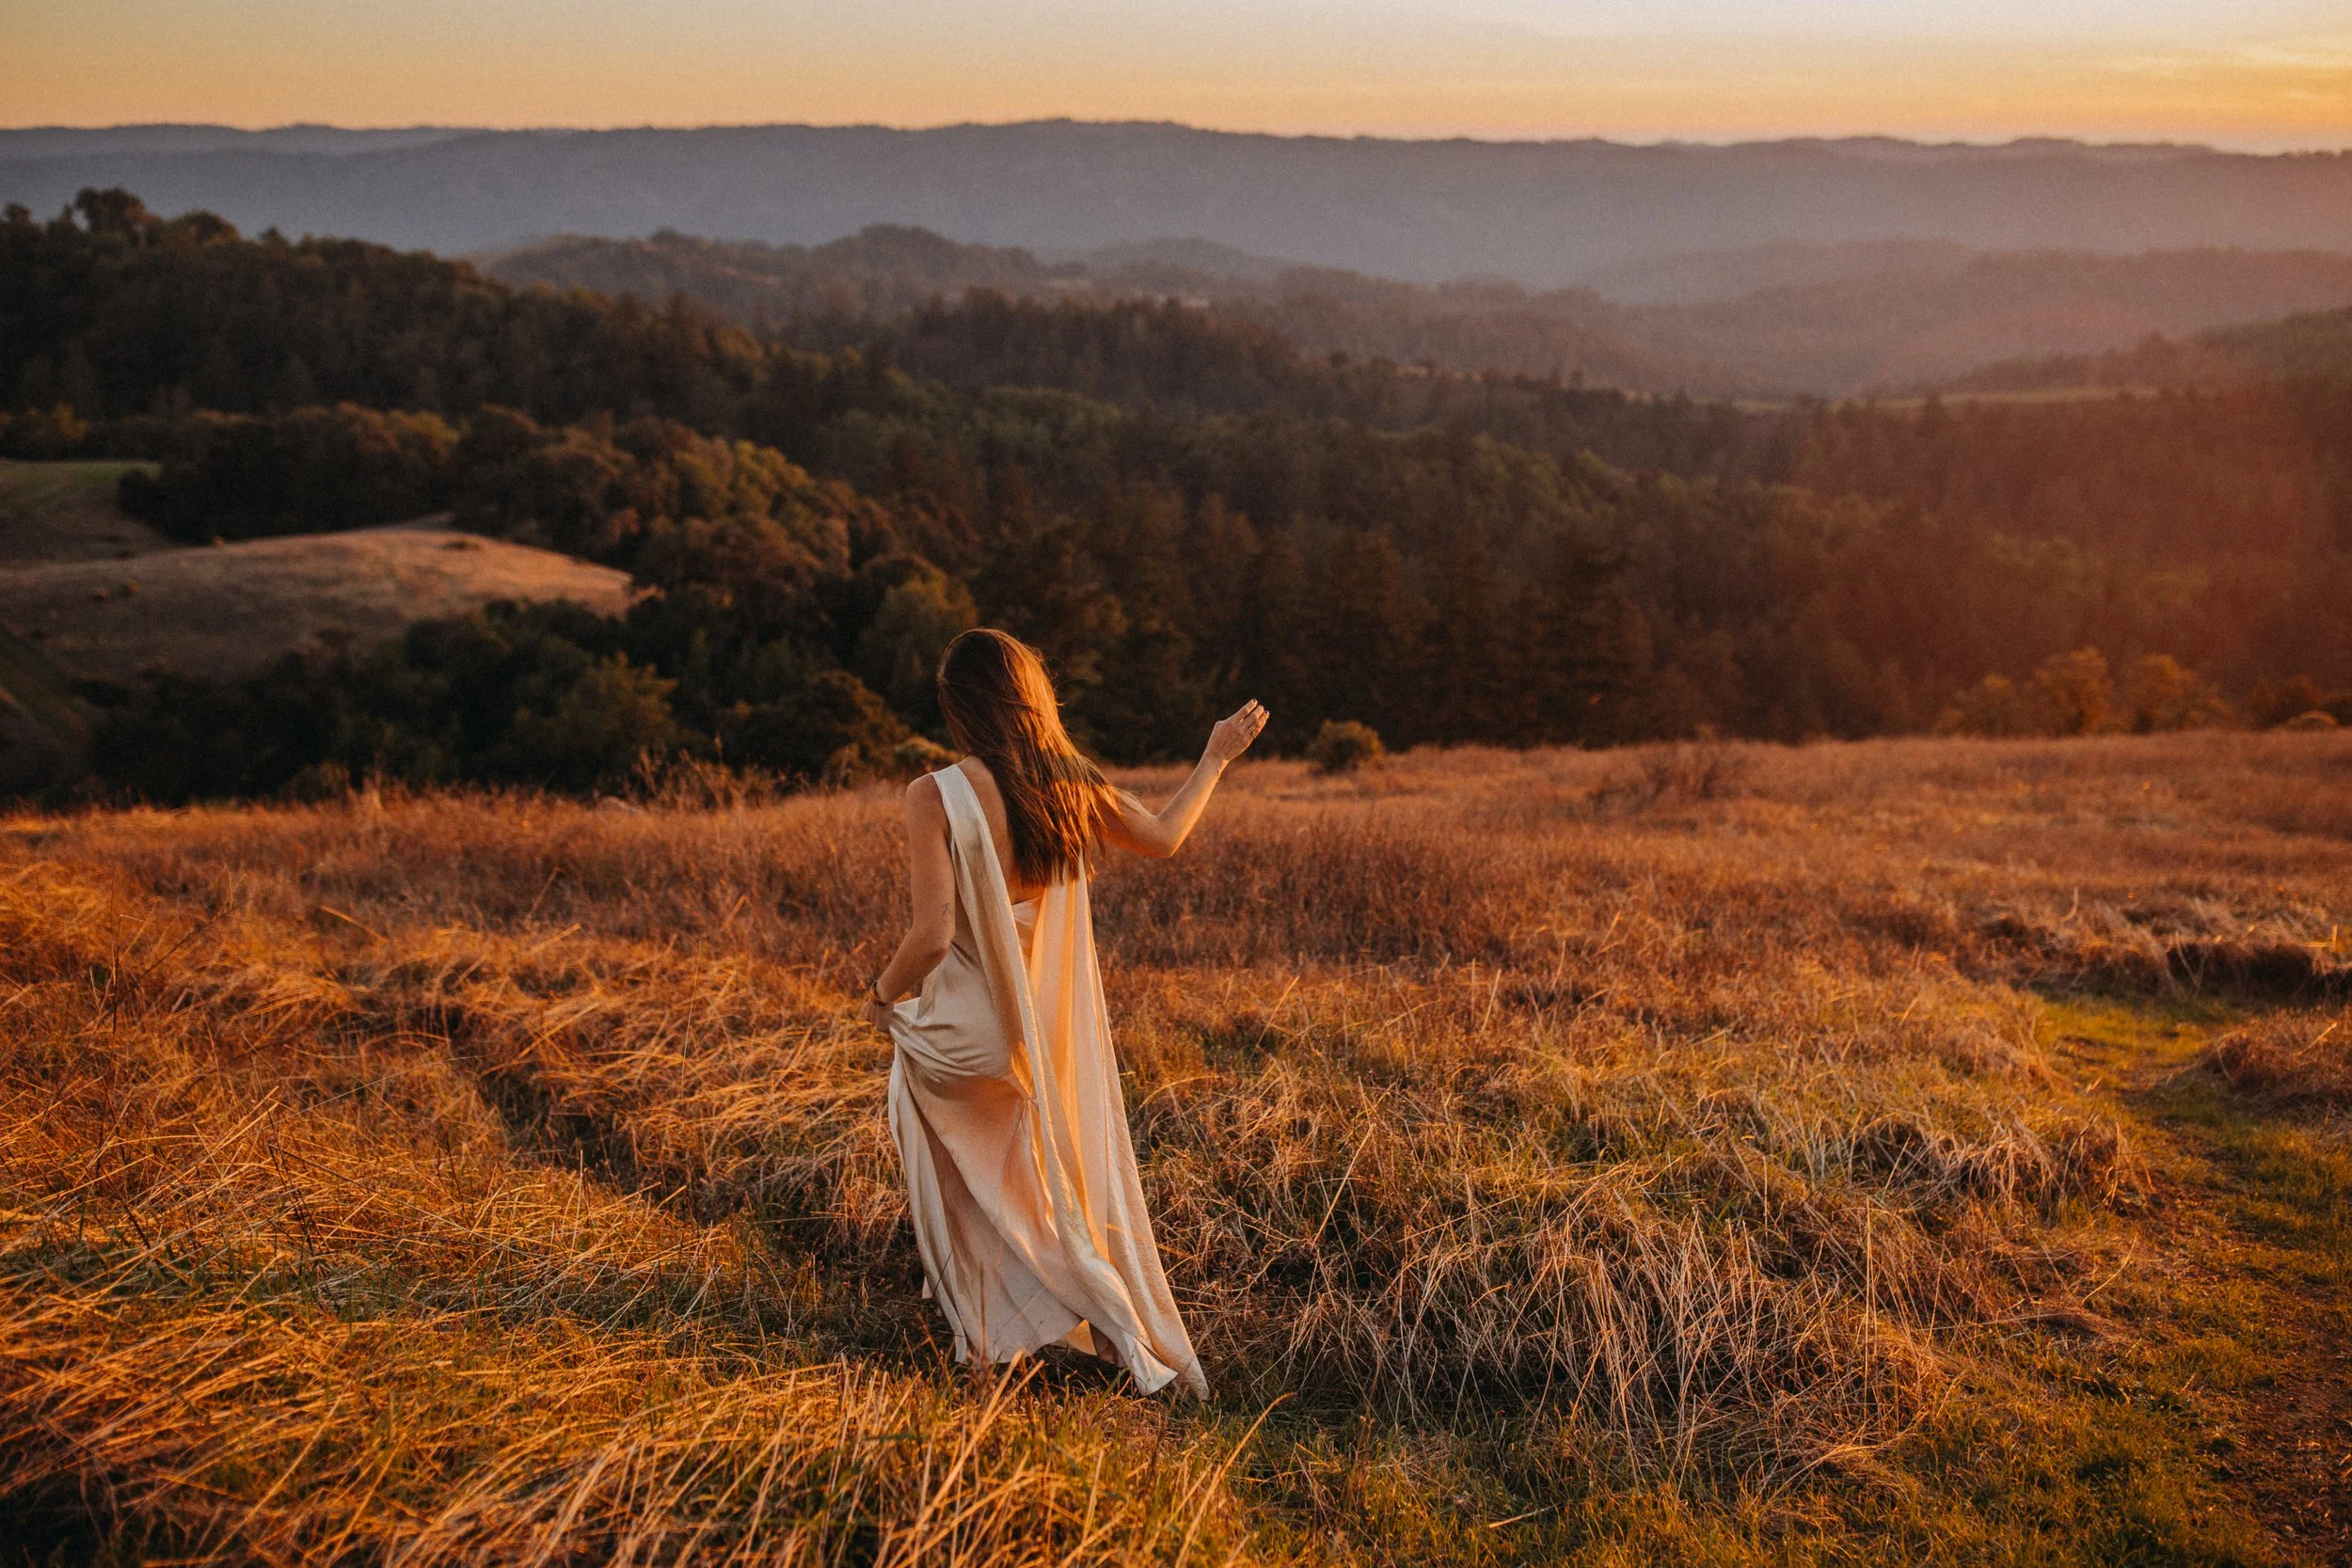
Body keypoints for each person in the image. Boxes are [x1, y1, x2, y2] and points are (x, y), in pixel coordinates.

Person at [860, 627, 1267, 1397]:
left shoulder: (933, 793)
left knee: (942, 1154)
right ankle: (1088, 1313)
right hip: (1036, 1035)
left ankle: (982, 1336)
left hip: (966, 1034)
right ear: (1031, 697)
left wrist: (882, 997)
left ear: (960, 709)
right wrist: (1214, 755)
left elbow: (932, 935)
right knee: (1042, 1175)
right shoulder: (1069, 782)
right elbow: (1166, 836)